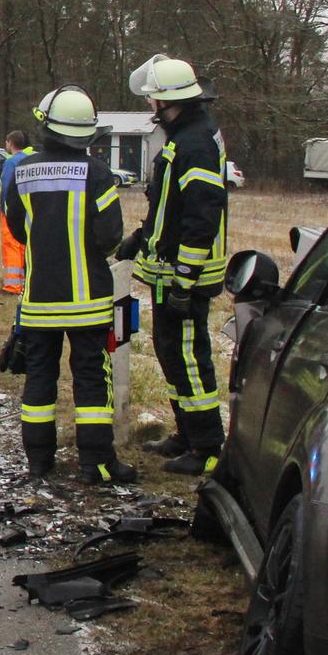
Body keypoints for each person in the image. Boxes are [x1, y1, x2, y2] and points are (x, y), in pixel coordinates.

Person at [5, 86, 135, 485]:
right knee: (92, 379)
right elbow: (110, 234)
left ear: (46, 125)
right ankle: (96, 465)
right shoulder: (97, 173)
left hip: (40, 301)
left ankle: (39, 463)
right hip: (89, 302)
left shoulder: (23, 171)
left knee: (40, 377)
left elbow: (16, 229)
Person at [119, 54, 228, 476]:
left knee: (188, 355)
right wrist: (142, 238)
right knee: (170, 352)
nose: (150, 109)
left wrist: (185, 276)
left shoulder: (196, 142)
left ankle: (207, 446)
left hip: (187, 275)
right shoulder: (186, 135)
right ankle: (186, 434)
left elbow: (202, 216)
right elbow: (169, 206)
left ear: (167, 102)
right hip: (170, 270)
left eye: (152, 102)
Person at [0, 130, 34, 293]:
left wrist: (3, 207)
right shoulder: (31, 159)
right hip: (30, 211)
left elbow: (7, 187)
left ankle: (13, 285)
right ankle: (26, 281)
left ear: (10, 143)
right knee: (25, 246)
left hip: (12, 211)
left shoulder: (11, 162)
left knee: (11, 245)